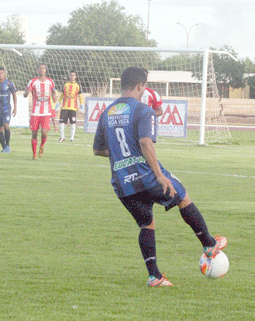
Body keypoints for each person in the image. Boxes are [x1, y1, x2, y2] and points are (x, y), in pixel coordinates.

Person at [93, 67, 227, 287]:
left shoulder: (106, 113)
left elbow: (98, 150)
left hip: (121, 181)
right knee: (182, 196)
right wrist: (159, 176)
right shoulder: (143, 110)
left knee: (147, 224)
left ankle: (154, 276)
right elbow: (146, 143)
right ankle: (208, 243)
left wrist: (120, 153)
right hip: (146, 175)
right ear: (140, 86)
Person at [23, 63, 57, 160]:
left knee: (44, 132)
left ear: (45, 70)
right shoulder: (32, 81)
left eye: (43, 68)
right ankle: (34, 154)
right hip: (35, 112)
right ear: (37, 70)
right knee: (34, 133)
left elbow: (54, 91)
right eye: (40, 68)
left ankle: (42, 146)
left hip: (46, 112)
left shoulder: (50, 81)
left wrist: (54, 96)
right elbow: (26, 93)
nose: (42, 70)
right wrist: (26, 93)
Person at [58, 71, 83, 142]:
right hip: (65, 107)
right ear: (69, 76)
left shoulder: (78, 85)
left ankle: (72, 138)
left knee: (73, 122)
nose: (72, 77)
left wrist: (81, 104)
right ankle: (62, 137)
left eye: (74, 75)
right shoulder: (65, 85)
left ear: (75, 77)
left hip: (73, 108)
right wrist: (58, 103)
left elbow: (80, 96)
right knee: (62, 122)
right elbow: (62, 95)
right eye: (71, 75)